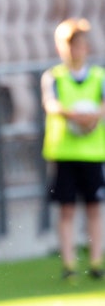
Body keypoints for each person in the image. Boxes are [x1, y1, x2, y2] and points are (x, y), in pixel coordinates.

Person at [41, 17, 105, 282]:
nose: (75, 50)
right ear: (61, 48)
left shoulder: (98, 76)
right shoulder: (54, 76)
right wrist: (75, 116)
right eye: (69, 45)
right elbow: (51, 104)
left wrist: (94, 117)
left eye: (79, 45)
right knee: (66, 209)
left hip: (91, 152)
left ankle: (95, 260)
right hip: (64, 152)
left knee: (94, 206)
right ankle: (68, 263)